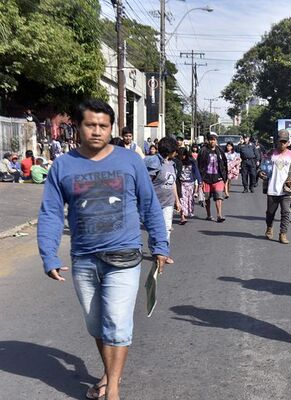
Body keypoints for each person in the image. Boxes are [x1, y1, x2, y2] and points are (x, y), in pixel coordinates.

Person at [37, 99, 169, 400]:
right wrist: (49, 255)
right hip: (83, 258)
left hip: (124, 254)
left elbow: (150, 204)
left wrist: (160, 245)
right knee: (97, 324)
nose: (97, 131)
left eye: (103, 126)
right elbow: (51, 213)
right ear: (79, 127)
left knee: (117, 324)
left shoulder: (129, 160)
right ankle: (109, 375)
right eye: (90, 125)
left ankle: (113, 389)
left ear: (111, 129)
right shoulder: (63, 166)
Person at [258, 130, 291, 244]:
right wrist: (261, 173)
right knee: (270, 213)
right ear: (277, 142)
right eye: (280, 141)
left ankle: (283, 234)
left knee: (286, 212)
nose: (282, 144)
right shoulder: (270, 154)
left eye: (284, 142)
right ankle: (269, 227)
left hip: (286, 189)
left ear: (288, 142)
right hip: (272, 188)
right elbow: (262, 167)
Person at [145, 136, 181, 265]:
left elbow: (173, 184)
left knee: (166, 228)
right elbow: (145, 183)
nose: (176, 152)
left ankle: (163, 253)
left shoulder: (172, 164)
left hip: (168, 203)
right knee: (154, 229)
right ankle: (155, 250)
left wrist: (177, 201)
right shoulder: (154, 163)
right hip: (154, 203)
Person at [198, 132, 228, 222]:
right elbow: (199, 164)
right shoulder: (203, 150)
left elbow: (225, 164)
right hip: (206, 178)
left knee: (219, 197)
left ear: (216, 140)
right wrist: (200, 179)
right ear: (208, 141)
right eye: (210, 140)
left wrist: (224, 177)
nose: (212, 141)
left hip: (218, 178)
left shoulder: (220, 151)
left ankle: (219, 215)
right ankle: (209, 215)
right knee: (207, 198)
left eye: (214, 140)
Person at [176, 147, 202, 224]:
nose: (181, 157)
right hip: (181, 183)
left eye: (183, 155)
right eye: (180, 155)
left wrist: (200, 181)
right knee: (182, 200)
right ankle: (182, 217)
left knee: (190, 199)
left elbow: (196, 171)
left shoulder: (192, 161)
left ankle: (188, 212)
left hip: (190, 183)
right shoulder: (177, 162)